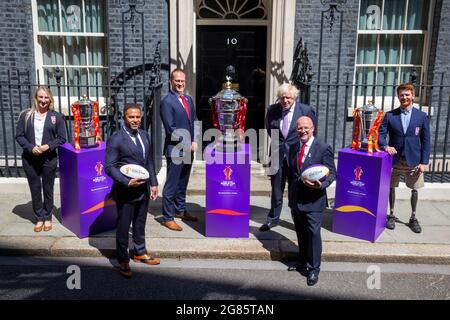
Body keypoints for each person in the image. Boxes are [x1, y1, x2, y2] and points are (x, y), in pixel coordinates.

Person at [105, 104, 160, 278]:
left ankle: (139, 252)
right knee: (123, 226)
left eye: (137, 117)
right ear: (124, 117)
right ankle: (123, 260)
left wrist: (153, 183)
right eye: (131, 117)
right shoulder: (116, 139)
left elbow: (149, 161)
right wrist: (126, 182)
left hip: (143, 189)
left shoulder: (144, 135)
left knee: (140, 222)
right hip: (126, 190)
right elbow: (109, 167)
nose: (135, 120)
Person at [260, 83, 316, 232]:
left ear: (294, 97)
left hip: (296, 155)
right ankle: (273, 219)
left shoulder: (305, 110)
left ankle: (296, 219)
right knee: (276, 189)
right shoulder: (272, 110)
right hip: (277, 154)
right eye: (282, 98)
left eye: (288, 98)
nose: (285, 101)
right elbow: (269, 128)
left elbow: (311, 132)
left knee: (295, 188)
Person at [287, 116, 336, 286]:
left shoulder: (323, 148)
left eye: (306, 128)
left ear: (313, 128)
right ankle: (302, 261)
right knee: (300, 232)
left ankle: (314, 269)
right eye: (300, 128)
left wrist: (321, 185)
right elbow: (291, 172)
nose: (303, 131)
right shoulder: (293, 147)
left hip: (314, 200)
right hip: (296, 199)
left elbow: (332, 173)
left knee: (313, 234)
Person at [379, 83, 431, 233]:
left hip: (414, 160)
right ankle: (392, 215)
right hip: (394, 160)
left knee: (414, 190)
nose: (404, 97)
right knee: (391, 187)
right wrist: (385, 147)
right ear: (398, 97)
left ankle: (413, 218)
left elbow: (426, 140)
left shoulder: (421, 116)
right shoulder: (390, 115)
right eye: (401, 95)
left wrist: (424, 162)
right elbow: (381, 135)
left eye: (407, 94)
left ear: (413, 96)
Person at [15, 86, 66, 232]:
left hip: (48, 159)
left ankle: (48, 217)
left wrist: (47, 146)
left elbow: (62, 138)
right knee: (35, 189)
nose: (43, 100)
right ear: (36, 98)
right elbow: (19, 135)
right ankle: (39, 218)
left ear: (50, 99)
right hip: (30, 159)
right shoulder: (26, 115)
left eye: (46, 97)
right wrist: (31, 147)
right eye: (40, 97)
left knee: (48, 189)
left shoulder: (56, 117)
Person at [160, 69, 199, 231]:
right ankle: (168, 217)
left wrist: (195, 140)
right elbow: (171, 129)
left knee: (183, 182)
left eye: (182, 81)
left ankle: (180, 210)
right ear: (171, 81)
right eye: (177, 81)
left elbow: (195, 121)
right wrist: (187, 142)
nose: (180, 83)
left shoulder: (188, 99)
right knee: (172, 184)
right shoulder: (167, 102)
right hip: (176, 149)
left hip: (189, 149)